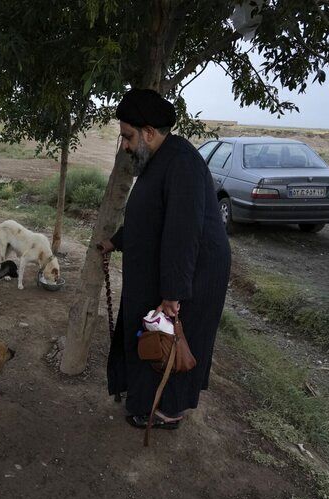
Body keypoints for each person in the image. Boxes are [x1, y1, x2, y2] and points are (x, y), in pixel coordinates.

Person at [97, 88, 231, 430]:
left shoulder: (182, 163)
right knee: (153, 340)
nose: (124, 146)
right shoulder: (161, 159)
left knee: (176, 343)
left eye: (127, 137)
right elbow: (150, 217)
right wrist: (116, 242)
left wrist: (173, 294)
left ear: (149, 133)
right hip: (171, 269)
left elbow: (182, 234)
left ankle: (169, 411)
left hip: (193, 274)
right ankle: (146, 398)